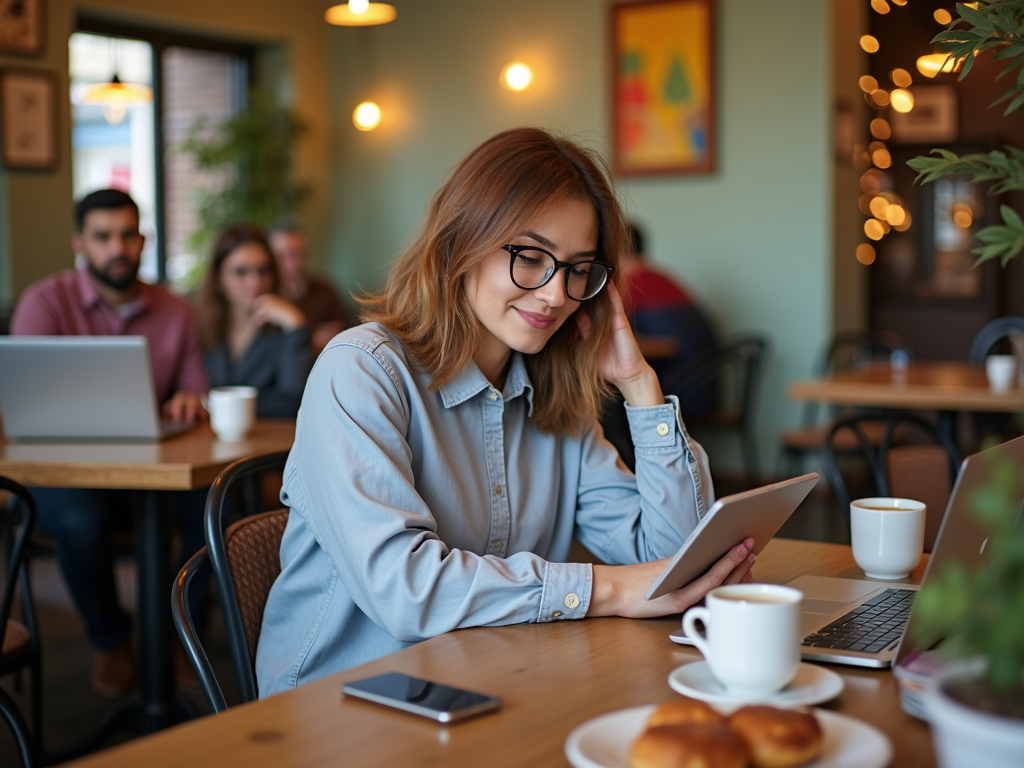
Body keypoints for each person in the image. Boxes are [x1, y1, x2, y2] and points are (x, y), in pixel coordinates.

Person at [255, 128, 756, 697]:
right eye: (531, 257)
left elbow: (673, 569)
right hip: (340, 707)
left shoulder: (553, 396)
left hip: (487, 683)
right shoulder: (362, 371)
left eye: (577, 268)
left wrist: (641, 386)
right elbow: (405, 590)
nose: (555, 294)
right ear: (461, 243)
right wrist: (609, 589)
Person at [10, 188, 208, 696]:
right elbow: (23, 405)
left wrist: (188, 400)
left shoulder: (175, 310)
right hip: (65, 474)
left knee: (215, 508)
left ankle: (181, 638)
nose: (117, 247)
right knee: (80, 520)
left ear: (142, 239)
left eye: (127, 234)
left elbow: (195, 389)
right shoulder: (44, 302)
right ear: (81, 242)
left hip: (151, 469)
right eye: (103, 237)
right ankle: (112, 641)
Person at [194, 224, 313, 418]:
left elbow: (295, 402)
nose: (255, 282)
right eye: (241, 272)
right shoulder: (199, 325)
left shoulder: (286, 328)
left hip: (269, 444)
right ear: (218, 278)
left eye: (263, 270)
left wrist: (296, 323)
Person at [268, 220, 355, 356]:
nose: (296, 264)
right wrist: (311, 342)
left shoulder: (324, 290)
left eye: (301, 254)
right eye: (285, 256)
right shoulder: (267, 298)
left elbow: (350, 332)